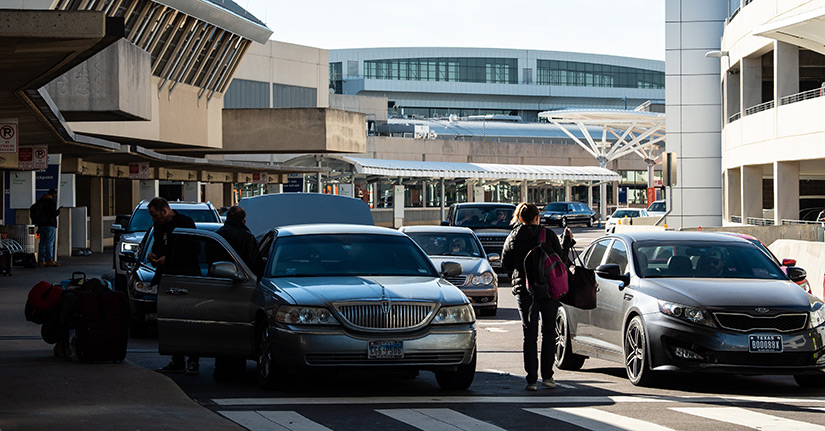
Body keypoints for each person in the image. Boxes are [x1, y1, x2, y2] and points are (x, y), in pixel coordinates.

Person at [501, 202, 574, 391]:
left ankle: (531, 379)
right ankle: (548, 377)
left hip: (524, 290)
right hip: (548, 289)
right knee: (549, 332)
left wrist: (521, 273)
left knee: (529, 334)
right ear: (536, 217)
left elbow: (505, 263)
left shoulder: (513, 236)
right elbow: (561, 260)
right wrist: (567, 241)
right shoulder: (547, 235)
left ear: (519, 218)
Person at [147, 197, 200, 376]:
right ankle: (177, 359)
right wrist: (154, 256)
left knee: (190, 321)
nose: (154, 220)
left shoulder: (184, 222)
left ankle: (193, 360)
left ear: (165, 211)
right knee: (171, 320)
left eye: (156, 216)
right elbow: (158, 246)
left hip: (187, 276)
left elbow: (193, 250)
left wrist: (169, 259)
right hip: (168, 277)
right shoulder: (159, 227)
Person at [215, 206, 263, 277]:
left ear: (227, 218)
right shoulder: (247, 237)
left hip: (217, 277)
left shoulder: (217, 235)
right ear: (244, 221)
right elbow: (254, 263)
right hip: (243, 278)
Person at [30, 189, 60, 267]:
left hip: (41, 226)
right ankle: (49, 259)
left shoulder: (40, 202)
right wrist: (58, 211)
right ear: (53, 194)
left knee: (42, 243)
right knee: (49, 242)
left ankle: (41, 260)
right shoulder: (51, 202)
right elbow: (53, 213)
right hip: (50, 225)